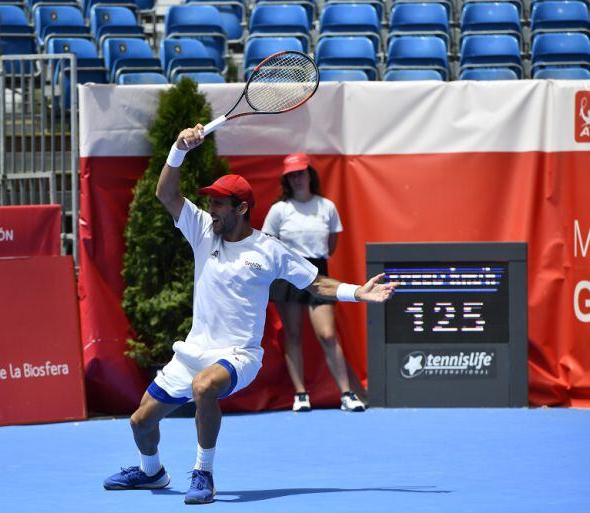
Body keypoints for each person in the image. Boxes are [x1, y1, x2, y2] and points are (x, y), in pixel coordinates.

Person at [103, 125, 397, 505]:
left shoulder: (270, 250)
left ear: (242, 209)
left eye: (219, 204)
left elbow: (315, 284)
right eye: (209, 202)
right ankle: (151, 472)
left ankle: (203, 473)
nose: (210, 209)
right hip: (192, 352)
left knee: (205, 387)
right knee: (140, 422)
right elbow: (166, 193)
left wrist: (358, 292)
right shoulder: (203, 232)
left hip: (239, 355)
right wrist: (178, 149)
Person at [262, 152, 367, 413]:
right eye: (292, 175)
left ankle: (346, 393)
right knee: (293, 335)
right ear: (287, 180)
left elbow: (331, 245)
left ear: (310, 175)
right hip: (287, 272)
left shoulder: (327, 207)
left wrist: (316, 264)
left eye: (301, 173)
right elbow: (267, 243)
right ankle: (301, 394)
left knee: (328, 335)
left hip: (318, 272)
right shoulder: (279, 210)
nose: (297, 178)